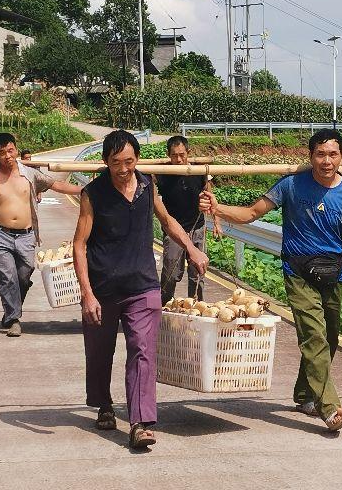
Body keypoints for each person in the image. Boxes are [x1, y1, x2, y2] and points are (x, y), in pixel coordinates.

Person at [199, 129, 342, 432]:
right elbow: (250, 213)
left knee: (330, 339)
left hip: (334, 273)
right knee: (314, 336)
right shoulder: (291, 186)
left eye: (333, 154)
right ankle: (330, 408)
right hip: (298, 272)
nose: (326, 161)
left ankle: (304, 394)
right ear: (310, 156)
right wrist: (216, 208)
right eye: (320, 154)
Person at [73, 130, 209, 450]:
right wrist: (87, 293)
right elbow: (79, 245)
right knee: (99, 352)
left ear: (137, 159)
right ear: (106, 162)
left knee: (143, 352)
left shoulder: (148, 186)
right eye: (117, 162)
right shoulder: (93, 194)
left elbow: (167, 220)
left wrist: (190, 247)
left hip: (143, 285)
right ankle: (104, 404)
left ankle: (140, 422)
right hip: (104, 287)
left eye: (130, 161)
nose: (124, 169)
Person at [0, 132, 82, 337]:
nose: (7, 155)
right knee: (7, 278)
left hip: (26, 235)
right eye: (2, 152)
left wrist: (84, 190)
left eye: (10, 150)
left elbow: (56, 184)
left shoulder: (29, 173)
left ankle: (10, 309)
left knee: (25, 273)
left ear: (16, 149)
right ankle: (14, 319)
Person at [154, 135, 222, 304]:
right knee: (170, 272)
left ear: (188, 152)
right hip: (173, 231)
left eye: (182, 155)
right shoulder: (162, 174)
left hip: (197, 227)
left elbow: (210, 197)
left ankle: (197, 306)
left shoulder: (199, 172)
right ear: (168, 155)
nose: (179, 159)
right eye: (175, 155)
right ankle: (164, 306)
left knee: (198, 273)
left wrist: (216, 222)